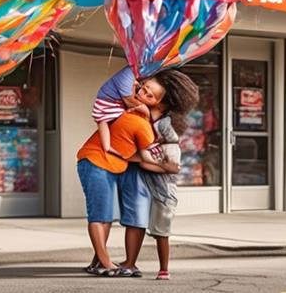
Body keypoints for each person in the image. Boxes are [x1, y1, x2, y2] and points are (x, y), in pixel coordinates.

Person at [76, 69, 198, 278]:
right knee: (104, 213)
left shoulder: (160, 124)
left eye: (150, 94)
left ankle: (124, 263)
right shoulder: (132, 111)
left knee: (132, 214)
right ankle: (104, 261)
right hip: (110, 162)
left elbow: (162, 157)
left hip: (133, 169)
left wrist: (160, 164)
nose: (142, 93)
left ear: (161, 103)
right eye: (143, 88)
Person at [140, 114, 186, 280]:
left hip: (164, 193)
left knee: (162, 233)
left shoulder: (172, 148)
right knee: (154, 231)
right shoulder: (155, 145)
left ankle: (164, 269)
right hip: (153, 190)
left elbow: (173, 168)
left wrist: (151, 164)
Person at [92, 66, 151, 158]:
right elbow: (129, 99)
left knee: (103, 124)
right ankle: (109, 148)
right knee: (104, 124)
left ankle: (109, 148)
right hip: (108, 103)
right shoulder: (128, 74)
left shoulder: (133, 75)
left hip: (108, 104)